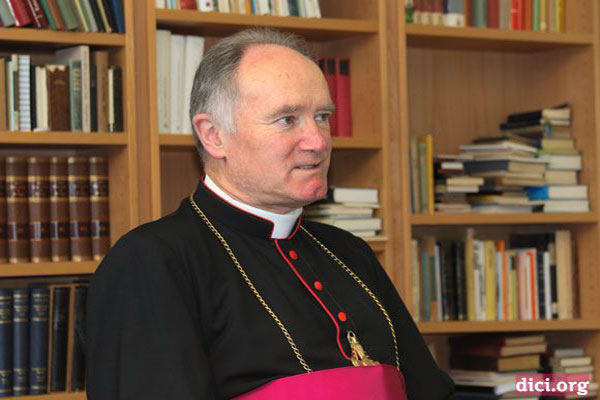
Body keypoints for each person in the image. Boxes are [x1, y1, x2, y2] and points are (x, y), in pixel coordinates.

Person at [86, 28, 454, 399]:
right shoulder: (152, 262)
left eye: (322, 116)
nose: (318, 141)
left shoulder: (349, 252)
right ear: (213, 135)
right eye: (287, 119)